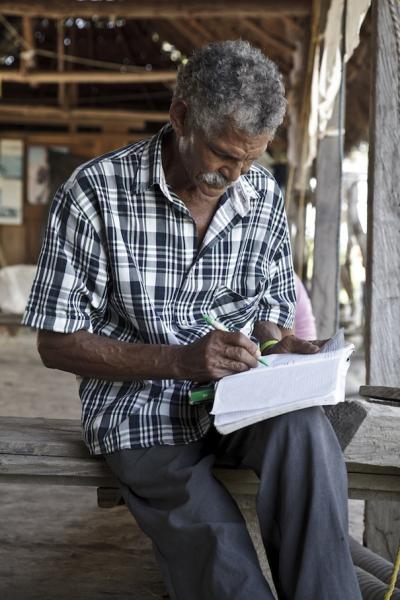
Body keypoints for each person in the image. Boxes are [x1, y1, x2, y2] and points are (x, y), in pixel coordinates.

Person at [23, 41, 361, 600]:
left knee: (306, 438)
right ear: (180, 115)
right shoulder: (94, 195)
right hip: (141, 413)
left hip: (241, 398)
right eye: (222, 153)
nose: (234, 173)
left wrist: (288, 349)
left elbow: (270, 324)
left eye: (250, 158)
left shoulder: (261, 195)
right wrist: (178, 360)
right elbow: (55, 343)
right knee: (224, 566)